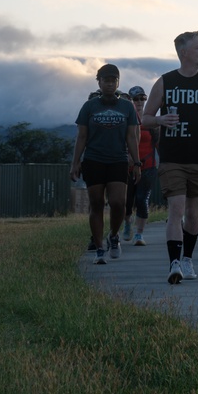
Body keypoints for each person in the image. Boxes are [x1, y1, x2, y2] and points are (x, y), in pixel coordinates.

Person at [141, 31, 198, 284]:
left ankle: (187, 259)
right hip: (173, 157)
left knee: (193, 211)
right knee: (176, 209)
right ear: (183, 52)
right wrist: (160, 120)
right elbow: (144, 118)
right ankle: (174, 263)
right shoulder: (165, 82)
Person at [70, 64, 141, 265]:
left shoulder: (126, 107)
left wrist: (136, 163)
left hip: (118, 159)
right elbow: (82, 136)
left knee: (119, 203)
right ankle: (100, 248)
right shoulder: (89, 106)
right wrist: (75, 162)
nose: (110, 84)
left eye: (113, 80)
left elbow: (131, 137)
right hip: (93, 160)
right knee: (97, 204)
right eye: (106, 80)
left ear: (118, 82)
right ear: (99, 82)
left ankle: (114, 235)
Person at [123, 86, 159, 246]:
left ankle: (139, 234)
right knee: (126, 201)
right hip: (128, 167)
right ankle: (127, 223)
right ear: (130, 100)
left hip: (148, 166)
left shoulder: (150, 121)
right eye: (136, 99)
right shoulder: (124, 120)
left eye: (142, 99)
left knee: (142, 199)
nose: (139, 102)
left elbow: (158, 144)